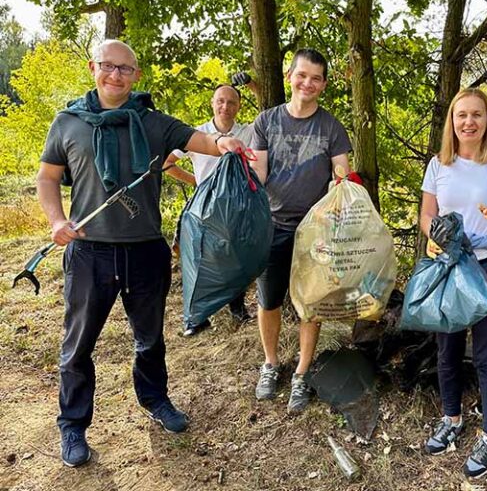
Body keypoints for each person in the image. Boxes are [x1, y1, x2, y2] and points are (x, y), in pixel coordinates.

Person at [37, 40, 246, 468]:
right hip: (89, 253)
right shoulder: (68, 122)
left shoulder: (153, 122)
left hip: (146, 251)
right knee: (78, 345)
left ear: (136, 75)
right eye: (108, 66)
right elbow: (47, 177)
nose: (116, 75)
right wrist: (57, 221)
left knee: (150, 339)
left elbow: (201, 140)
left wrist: (223, 143)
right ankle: (73, 425)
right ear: (93, 67)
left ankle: (155, 399)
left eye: (125, 69)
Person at [419, 88, 487, 479]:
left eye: (477, 114)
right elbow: (427, 214)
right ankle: (451, 418)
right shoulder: (439, 164)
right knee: (447, 352)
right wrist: (435, 234)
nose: (469, 122)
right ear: (452, 121)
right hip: (450, 268)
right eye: (461, 115)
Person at [250, 48, 353, 414]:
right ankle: (271, 363)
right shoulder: (266, 121)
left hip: (315, 231)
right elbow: (259, 175)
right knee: (269, 300)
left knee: (311, 303)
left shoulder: (331, 127)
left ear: (323, 85)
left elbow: (341, 175)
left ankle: (302, 372)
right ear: (289, 76)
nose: (307, 83)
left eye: (316, 78)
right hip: (272, 226)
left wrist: (339, 187)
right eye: (302, 75)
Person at [163, 83, 257, 335]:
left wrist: (254, 87)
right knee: (200, 258)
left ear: (239, 106)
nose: (226, 106)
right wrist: (195, 181)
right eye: (220, 101)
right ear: (212, 103)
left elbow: (267, 115)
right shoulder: (196, 134)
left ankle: (237, 309)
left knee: (236, 257)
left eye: (232, 102)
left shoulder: (247, 132)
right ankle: (197, 317)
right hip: (204, 207)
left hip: (236, 206)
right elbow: (166, 163)